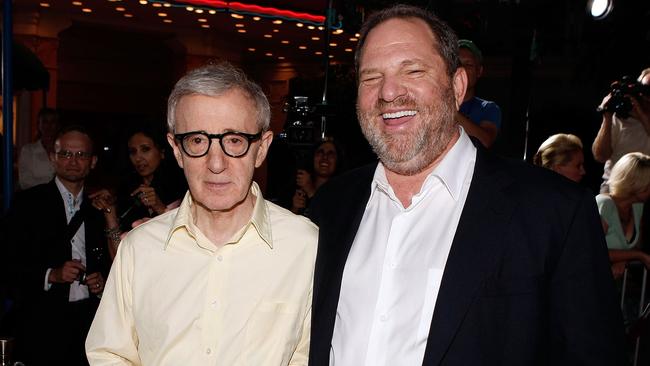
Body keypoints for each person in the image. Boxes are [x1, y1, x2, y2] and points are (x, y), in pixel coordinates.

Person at [307, 5, 625, 365]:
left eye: (412, 70)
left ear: (457, 86)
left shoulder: (554, 213)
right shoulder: (330, 207)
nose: (389, 92)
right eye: (371, 77)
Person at [86, 63, 317, 365]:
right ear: (177, 150)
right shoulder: (139, 250)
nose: (216, 163)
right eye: (197, 141)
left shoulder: (306, 246)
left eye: (234, 140)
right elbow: (109, 355)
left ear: (261, 149)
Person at [2, 125, 110, 365]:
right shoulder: (28, 203)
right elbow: (7, 264)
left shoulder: (99, 207)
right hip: (41, 321)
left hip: (89, 323)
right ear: (53, 158)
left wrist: (102, 281)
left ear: (92, 161)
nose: (73, 161)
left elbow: (112, 261)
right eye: (66, 154)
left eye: (81, 155)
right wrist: (52, 275)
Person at [90, 127, 187, 258]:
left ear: (162, 152)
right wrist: (110, 212)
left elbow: (185, 247)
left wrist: (160, 208)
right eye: (132, 152)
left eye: (145, 149)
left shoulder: (182, 189)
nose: (138, 158)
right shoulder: (128, 191)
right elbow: (118, 257)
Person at [592, 68, 650, 193]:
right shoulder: (620, 117)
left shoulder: (639, 115)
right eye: (646, 89)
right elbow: (600, 156)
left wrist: (642, 116)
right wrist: (607, 117)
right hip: (615, 189)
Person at [597, 152, 650, 279]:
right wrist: (638, 255)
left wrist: (624, 259)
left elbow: (632, 248)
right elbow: (593, 250)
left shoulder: (637, 206)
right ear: (636, 184)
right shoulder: (605, 204)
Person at [455, 39, 501, 148]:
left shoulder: (488, 108)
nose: (462, 69)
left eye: (469, 65)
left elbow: (484, 142)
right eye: (458, 64)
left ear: (479, 71)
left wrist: (449, 109)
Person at [291, 139, 341, 214]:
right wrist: (294, 209)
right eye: (320, 153)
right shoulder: (296, 188)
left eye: (331, 154)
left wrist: (310, 191)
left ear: (337, 161)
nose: (325, 157)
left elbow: (328, 219)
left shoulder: (342, 192)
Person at [18, 107, 60, 190]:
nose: (49, 125)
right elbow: (25, 182)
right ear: (39, 125)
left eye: (52, 122)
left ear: (57, 125)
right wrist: (52, 185)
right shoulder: (28, 150)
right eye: (45, 121)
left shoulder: (64, 150)